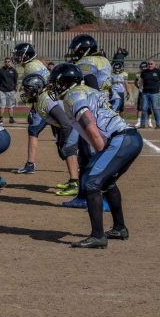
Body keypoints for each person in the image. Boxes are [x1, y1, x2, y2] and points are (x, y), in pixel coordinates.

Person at [50, 63, 142, 249]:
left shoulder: (72, 96)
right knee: (107, 182)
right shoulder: (87, 90)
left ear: (65, 82)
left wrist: (100, 148)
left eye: (57, 83)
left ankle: (98, 236)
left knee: (91, 182)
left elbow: (89, 122)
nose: (54, 86)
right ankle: (119, 228)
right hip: (130, 137)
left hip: (120, 139)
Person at [20, 74, 80, 198]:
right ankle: (74, 181)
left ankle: (76, 184)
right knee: (68, 151)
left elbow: (64, 122)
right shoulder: (40, 99)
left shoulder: (45, 100)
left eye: (27, 89)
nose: (25, 92)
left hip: (73, 124)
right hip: (69, 124)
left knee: (68, 150)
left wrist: (62, 141)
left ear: (35, 88)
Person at [12, 42, 50, 174]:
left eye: (18, 55)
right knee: (63, 134)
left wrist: (31, 104)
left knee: (33, 130)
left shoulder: (30, 67)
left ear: (26, 55)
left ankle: (30, 164)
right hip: (52, 101)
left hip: (43, 103)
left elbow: (34, 89)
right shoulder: (37, 63)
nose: (16, 57)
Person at [0, 57, 18, 123]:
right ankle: (0, 119)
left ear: (10, 62)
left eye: (8, 61)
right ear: (4, 62)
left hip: (11, 91)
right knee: (1, 105)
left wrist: (15, 88)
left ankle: (11, 119)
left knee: (10, 106)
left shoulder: (13, 70)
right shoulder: (1, 70)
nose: (7, 62)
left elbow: (16, 80)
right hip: (2, 91)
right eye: (6, 61)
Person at [140, 59, 160, 129]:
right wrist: (140, 88)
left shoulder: (158, 71)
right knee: (144, 108)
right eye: (149, 64)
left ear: (154, 65)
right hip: (145, 93)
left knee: (155, 108)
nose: (150, 65)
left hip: (154, 93)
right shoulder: (144, 72)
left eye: (151, 64)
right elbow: (141, 81)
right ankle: (142, 124)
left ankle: (158, 124)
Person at [134, 62, 150, 128]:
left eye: (144, 67)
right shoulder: (138, 75)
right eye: (142, 67)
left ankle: (149, 122)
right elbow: (135, 82)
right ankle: (138, 121)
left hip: (149, 92)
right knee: (140, 107)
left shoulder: (149, 73)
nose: (143, 68)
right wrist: (139, 88)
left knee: (149, 107)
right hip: (142, 92)